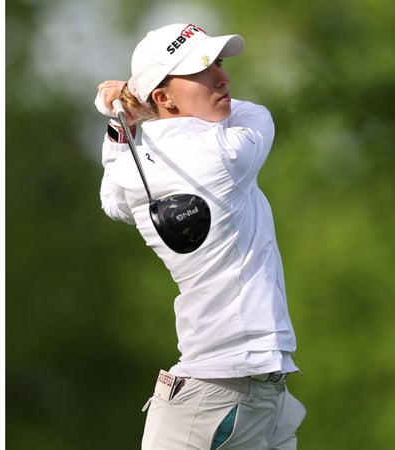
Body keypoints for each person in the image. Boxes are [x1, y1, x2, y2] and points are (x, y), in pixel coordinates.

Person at [95, 23, 306, 449]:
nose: (223, 78)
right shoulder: (226, 154)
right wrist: (135, 105)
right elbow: (258, 114)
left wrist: (126, 118)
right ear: (163, 96)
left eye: (220, 64)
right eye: (201, 71)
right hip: (216, 400)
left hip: (240, 395)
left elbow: (111, 199)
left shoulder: (134, 175)